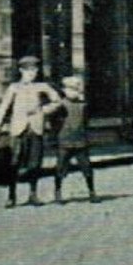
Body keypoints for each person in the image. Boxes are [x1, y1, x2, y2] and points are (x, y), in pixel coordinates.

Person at [0, 56, 62, 209]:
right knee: (14, 162)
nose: (32, 73)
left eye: (35, 70)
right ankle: (11, 196)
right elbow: (3, 109)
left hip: (36, 128)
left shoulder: (42, 86)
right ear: (22, 70)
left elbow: (58, 101)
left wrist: (43, 110)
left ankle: (33, 194)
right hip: (18, 129)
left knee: (35, 163)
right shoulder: (14, 88)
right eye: (29, 70)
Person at [47, 75, 96, 204]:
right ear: (64, 90)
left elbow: (85, 121)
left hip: (80, 141)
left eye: (76, 89)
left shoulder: (83, 105)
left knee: (87, 168)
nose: (73, 92)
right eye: (70, 89)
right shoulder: (60, 105)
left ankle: (92, 192)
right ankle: (58, 193)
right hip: (64, 141)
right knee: (60, 168)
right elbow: (53, 122)